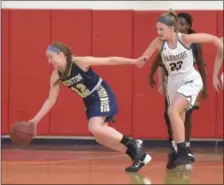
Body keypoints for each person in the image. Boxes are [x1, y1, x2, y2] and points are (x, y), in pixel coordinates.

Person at [27, 41, 151, 172]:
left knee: (94, 127)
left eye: (51, 57)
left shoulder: (80, 62)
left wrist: (135, 61)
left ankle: (132, 142)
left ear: (61, 55)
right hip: (89, 100)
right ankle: (138, 156)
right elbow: (50, 100)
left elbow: (109, 60)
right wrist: (35, 121)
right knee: (100, 137)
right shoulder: (56, 76)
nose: (49, 61)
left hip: (100, 92)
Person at [140, 9, 223, 168]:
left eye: (161, 29)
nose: (158, 32)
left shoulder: (186, 39)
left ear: (172, 28)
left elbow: (212, 38)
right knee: (178, 115)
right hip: (172, 81)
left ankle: (184, 151)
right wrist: (136, 62)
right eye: (157, 29)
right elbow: (146, 58)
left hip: (190, 79)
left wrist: (220, 46)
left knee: (172, 111)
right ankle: (178, 150)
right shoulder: (159, 42)